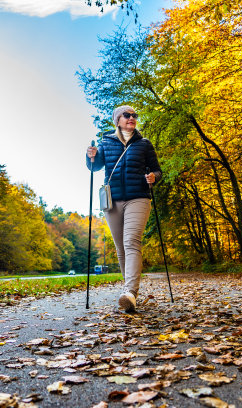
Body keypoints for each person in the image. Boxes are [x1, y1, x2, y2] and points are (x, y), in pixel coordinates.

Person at [86, 105, 162, 313]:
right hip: (113, 200)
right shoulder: (106, 142)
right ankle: (128, 291)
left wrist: (153, 177)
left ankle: (130, 293)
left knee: (131, 241)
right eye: (127, 115)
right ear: (117, 120)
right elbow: (95, 166)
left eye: (134, 115)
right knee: (120, 247)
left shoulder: (144, 144)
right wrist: (90, 155)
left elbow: (157, 170)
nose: (131, 118)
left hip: (138, 197)